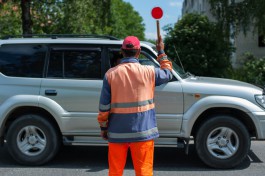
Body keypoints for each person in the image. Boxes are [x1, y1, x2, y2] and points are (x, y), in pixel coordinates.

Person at [97, 35, 172, 176]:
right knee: (144, 172)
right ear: (138, 52)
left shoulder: (110, 75)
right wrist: (161, 52)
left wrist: (103, 127)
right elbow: (168, 73)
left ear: (122, 51)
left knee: (115, 172)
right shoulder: (149, 72)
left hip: (117, 132)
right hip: (143, 132)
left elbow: (104, 106)